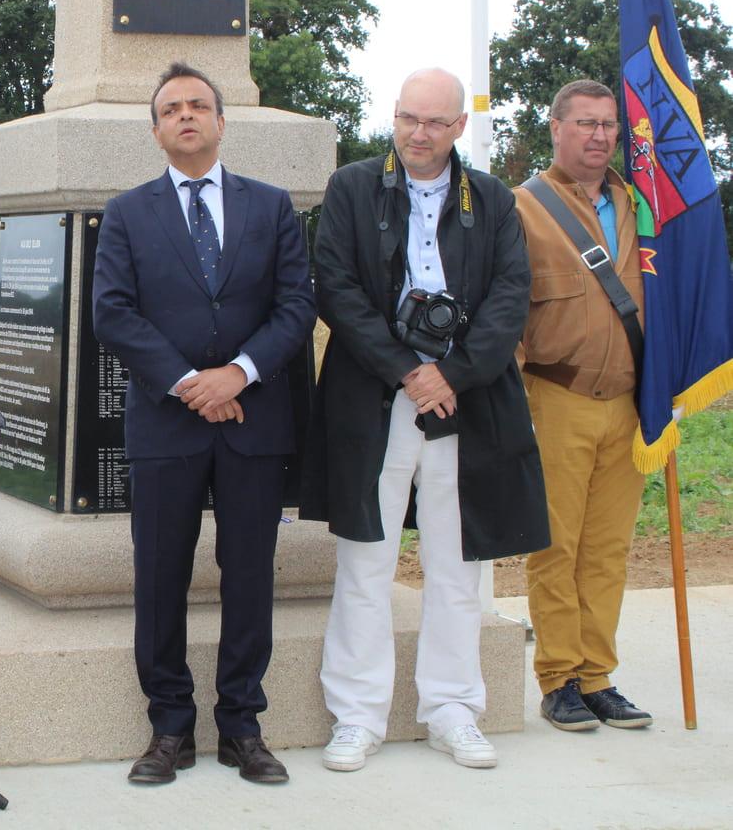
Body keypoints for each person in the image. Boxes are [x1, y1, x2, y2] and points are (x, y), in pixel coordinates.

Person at [301, 67, 549, 773]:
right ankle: (357, 714)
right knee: (365, 561)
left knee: (455, 564)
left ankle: (452, 709)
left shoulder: (495, 201)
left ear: (459, 127)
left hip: (463, 402)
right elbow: (336, 287)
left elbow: (510, 295)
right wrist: (406, 368)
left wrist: (453, 372)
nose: (418, 133)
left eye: (435, 122)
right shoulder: (353, 187)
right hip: (374, 397)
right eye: (408, 117)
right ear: (395, 116)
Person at [92, 62, 316, 787]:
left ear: (221, 122)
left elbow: (295, 308)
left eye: (198, 105)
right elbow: (113, 313)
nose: (186, 116)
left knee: (249, 576)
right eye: (171, 109)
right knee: (160, 577)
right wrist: (191, 384)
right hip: (167, 424)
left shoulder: (272, 206)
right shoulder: (126, 213)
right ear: (155, 130)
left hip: (254, 421)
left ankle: (242, 728)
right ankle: (169, 729)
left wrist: (238, 374)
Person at [514, 79, 652, 732]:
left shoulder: (644, 207)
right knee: (556, 547)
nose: (599, 136)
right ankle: (559, 679)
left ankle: (597, 677)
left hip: (631, 403)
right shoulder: (523, 209)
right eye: (586, 124)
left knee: (607, 549)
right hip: (556, 397)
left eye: (608, 127)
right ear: (556, 128)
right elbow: (507, 313)